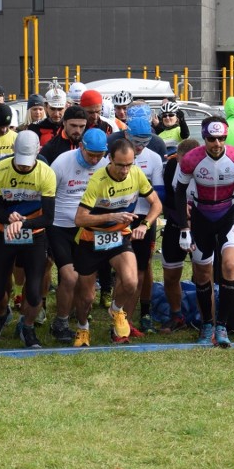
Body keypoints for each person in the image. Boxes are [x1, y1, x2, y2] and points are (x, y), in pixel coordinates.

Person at [175, 116, 234, 347]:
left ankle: (222, 325)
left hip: (228, 216)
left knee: (229, 265)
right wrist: (184, 228)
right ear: (204, 138)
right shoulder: (192, 159)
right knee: (202, 274)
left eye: (221, 138)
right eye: (212, 139)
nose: (217, 143)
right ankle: (207, 324)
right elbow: (179, 192)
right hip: (202, 217)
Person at [72, 138, 162, 347]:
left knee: (131, 281)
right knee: (86, 296)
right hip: (91, 238)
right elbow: (80, 219)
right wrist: (112, 216)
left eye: (129, 164)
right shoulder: (98, 180)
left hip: (118, 237)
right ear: (110, 159)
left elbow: (156, 204)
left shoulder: (136, 173)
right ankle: (83, 328)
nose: (124, 170)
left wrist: (145, 225)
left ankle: (116, 309)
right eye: (120, 165)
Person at [0, 130, 55, 348]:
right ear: (13, 151)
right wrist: (8, 217)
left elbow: (48, 218)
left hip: (34, 234)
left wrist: (23, 222)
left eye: (28, 162)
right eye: (20, 161)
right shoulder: (0, 169)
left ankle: (28, 325)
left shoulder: (46, 173)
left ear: (38, 153)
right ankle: (1, 315)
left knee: (34, 294)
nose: (24, 167)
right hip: (4, 232)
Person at [48, 128, 109, 343]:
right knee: (69, 276)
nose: (94, 160)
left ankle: (78, 316)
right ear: (81, 146)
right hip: (61, 226)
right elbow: (48, 195)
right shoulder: (62, 163)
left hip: (87, 228)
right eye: (90, 154)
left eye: (98, 155)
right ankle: (61, 321)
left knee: (85, 282)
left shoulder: (104, 164)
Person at [124, 117, 165, 335]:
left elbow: (160, 195)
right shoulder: (117, 150)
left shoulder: (154, 157)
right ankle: (120, 316)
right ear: (126, 136)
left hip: (144, 217)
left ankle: (142, 313)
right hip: (120, 215)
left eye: (144, 142)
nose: (140, 148)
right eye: (136, 142)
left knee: (142, 268)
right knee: (121, 269)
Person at [159, 138, 200, 333]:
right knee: (171, 274)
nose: (187, 168)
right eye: (184, 163)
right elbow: (163, 199)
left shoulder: (208, 167)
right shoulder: (170, 167)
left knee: (203, 274)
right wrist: (179, 209)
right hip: (176, 225)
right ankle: (177, 315)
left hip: (202, 227)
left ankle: (206, 319)